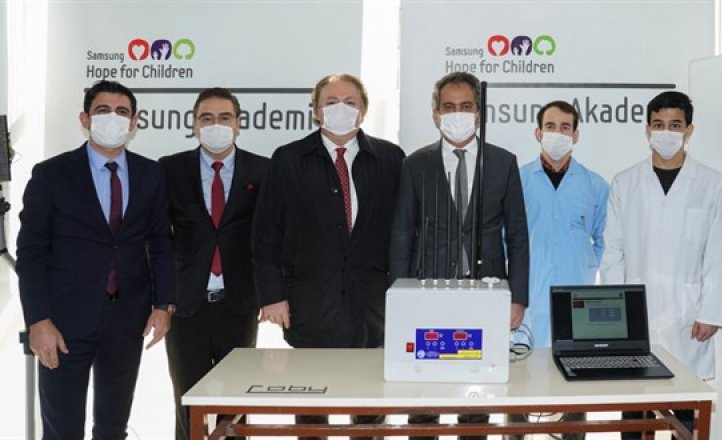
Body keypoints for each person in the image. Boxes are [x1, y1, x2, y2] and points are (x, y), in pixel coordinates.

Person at [17, 79, 174, 439]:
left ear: (134, 122)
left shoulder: (150, 174)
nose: (113, 118)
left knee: (113, 428)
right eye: (103, 110)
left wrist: (163, 304)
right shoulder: (51, 174)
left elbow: (161, 242)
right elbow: (31, 252)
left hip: (127, 320)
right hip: (63, 322)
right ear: (85, 119)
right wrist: (38, 320)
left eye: (122, 112)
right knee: (62, 430)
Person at [252, 73, 405, 430]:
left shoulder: (391, 158)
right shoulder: (288, 159)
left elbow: (404, 232)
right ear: (316, 111)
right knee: (311, 407)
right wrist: (272, 297)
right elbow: (265, 234)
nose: (341, 109)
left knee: (369, 407)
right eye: (331, 102)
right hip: (310, 303)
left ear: (363, 110)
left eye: (350, 102)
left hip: (372, 306)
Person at [389, 71, 529, 438]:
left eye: (466, 106)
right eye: (449, 106)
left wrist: (518, 297)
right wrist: (398, 296)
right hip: (427, 292)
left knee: (476, 392)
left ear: (479, 113)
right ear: (436, 114)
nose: (457, 113)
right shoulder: (416, 164)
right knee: (423, 391)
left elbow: (517, 235)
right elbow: (402, 233)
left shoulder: (503, 162)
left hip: (487, 293)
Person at [600, 91, 722, 439]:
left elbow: (717, 252)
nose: (666, 132)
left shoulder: (711, 183)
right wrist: (617, 314)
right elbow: (613, 253)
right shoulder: (625, 181)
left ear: (689, 129)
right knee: (634, 414)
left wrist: (711, 311)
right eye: (658, 124)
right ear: (647, 129)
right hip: (636, 315)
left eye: (675, 124)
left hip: (688, 317)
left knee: (684, 413)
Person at [159, 87, 269, 440]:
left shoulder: (263, 169)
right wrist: (161, 299)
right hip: (186, 305)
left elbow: (270, 238)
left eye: (224, 117)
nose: (215, 125)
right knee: (187, 402)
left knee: (236, 405)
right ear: (194, 124)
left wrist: (271, 294)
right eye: (206, 118)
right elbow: (157, 238)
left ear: (239, 124)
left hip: (239, 304)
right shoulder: (170, 169)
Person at [506, 100, 608, 440]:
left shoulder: (594, 185)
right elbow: (505, 240)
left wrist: (584, 271)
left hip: (576, 300)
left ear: (576, 134)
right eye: (551, 126)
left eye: (566, 127)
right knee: (517, 390)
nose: (558, 133)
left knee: (574, 395)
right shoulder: (517, 181)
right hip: (526, 300)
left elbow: (605, 242)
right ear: (538, 132)